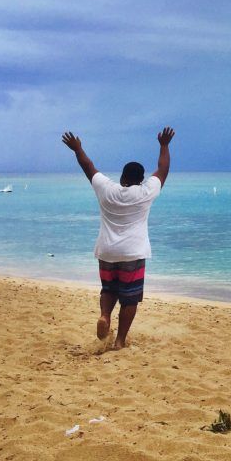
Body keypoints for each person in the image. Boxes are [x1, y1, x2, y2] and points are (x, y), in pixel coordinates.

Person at [62, 127, 174, 349]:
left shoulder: (107, 190)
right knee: (130, 298)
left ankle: (105, 315)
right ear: (141, 180)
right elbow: (163, 169)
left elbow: (89, 167)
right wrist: (164, 145)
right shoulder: (145, 192)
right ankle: (120, 341)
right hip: (132, 252)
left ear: (122, 177)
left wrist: (78, 149)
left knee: (109, 289)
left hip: (106, 251)